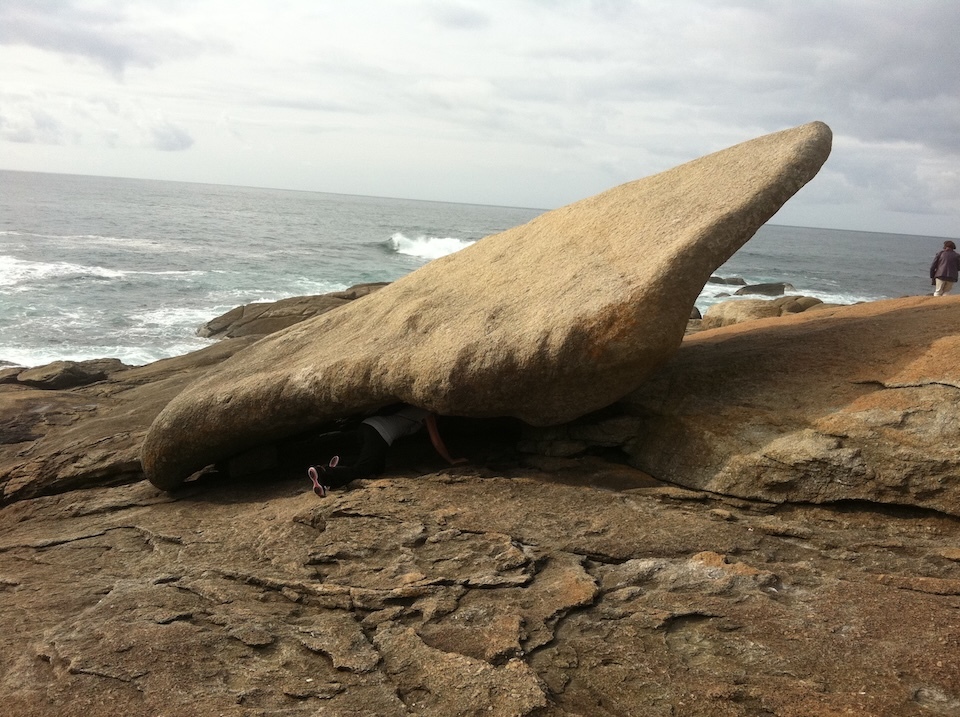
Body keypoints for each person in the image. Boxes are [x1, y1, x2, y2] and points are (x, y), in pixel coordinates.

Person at [307, 404, 466, 496]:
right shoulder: (427, 413)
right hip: (379, 434)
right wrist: (451, 460)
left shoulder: (411, 410)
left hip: (367, 427)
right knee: (363, 470)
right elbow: (436, 440)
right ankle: (324, 474)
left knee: (377, 468)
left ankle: (341, 463)